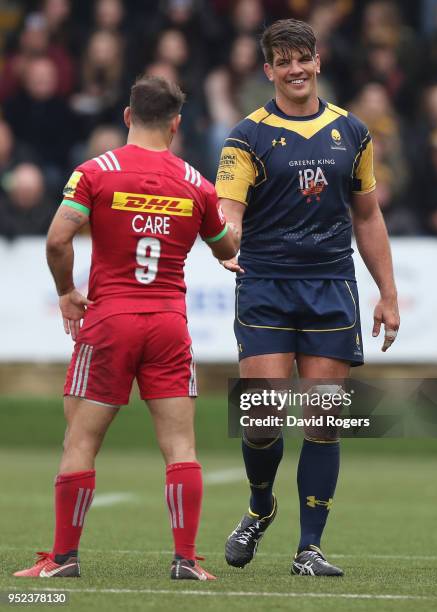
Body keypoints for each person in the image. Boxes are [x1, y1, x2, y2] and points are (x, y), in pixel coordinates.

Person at [14, 75, 238, 581]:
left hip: (109, 320)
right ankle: (185, 561)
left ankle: (64, 559)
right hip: (167, 324)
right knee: (181, 447)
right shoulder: (195, 182)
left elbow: (56, 239)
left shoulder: (96, 172)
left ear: (127, 116)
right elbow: (226, 249)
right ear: (177, 125)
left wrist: (67, 292)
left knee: (81, 440)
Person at [216, 19, 400, 576]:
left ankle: (309, 548)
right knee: (262, 416)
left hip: (330, 285)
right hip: (266, 284)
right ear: (268, 70)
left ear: (318, 61)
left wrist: (388, 294)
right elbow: (229, 210)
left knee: (323, 418)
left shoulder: (354, 133)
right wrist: (227, 242)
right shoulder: (245, 136)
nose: (295, 69)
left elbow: (367, 216)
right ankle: (259, 505)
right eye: (283, 61)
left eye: (304, 58)